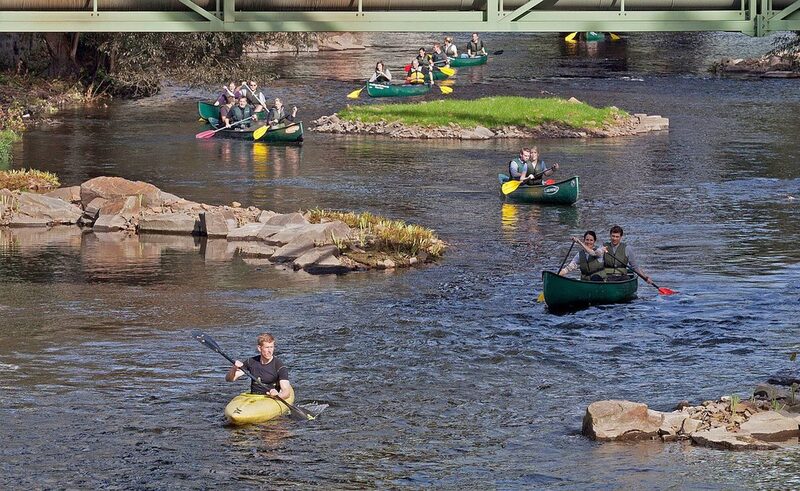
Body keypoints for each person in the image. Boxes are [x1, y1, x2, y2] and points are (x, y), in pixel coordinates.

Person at [226, 332, 292, 400]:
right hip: (254, 398)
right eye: (267, 347)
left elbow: (286, 392)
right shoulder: (251, 362)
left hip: (270, 398)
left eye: (271, 347)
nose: (270, 351)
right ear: (259, 348)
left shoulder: (279, 366)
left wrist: (278, 395)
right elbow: (229, 379)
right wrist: (234, 369)